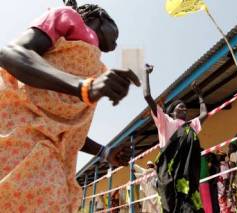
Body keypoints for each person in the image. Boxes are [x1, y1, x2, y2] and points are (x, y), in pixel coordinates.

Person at [0, 0, 140, 212]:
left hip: (50, 152)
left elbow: (68, 130)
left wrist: (105, 152)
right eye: (116, 34)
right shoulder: (68, 17)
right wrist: (83, 87)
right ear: (99, 17)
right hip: (19, 132)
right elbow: (10, 54)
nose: (117, 43)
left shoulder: (99, 69)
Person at [142, 64, 208, 212]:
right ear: (171, 112)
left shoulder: (190, 127)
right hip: (169, 177)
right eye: (180, 107)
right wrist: (145, 73)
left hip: (186, 179)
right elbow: (147, 96)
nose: (184, 109)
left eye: (185, 107)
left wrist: (200, 96)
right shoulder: (165, 121)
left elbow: (204, 114)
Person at [227, 142, 237, 213]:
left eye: (230, 148)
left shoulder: (233, 155)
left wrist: (230, 186)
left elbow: (233, 172)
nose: (228, 150)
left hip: (236, 180)